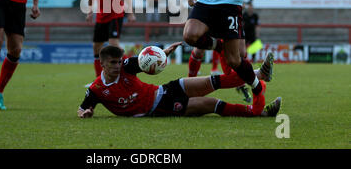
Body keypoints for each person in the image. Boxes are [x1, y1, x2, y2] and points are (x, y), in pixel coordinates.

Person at [78, 43, 281, 118]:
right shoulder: (96, 89)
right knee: (212, 104)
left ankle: (258, 74)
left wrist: (162, 54)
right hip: (160, 106)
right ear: (102, 65)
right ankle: (261, 113)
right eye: (113, 63)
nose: (118, 65)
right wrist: (86, 112)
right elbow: (84, 107)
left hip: (164, 89)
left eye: (119, 61)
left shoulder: (126, 66)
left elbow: (145, 61)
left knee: (213, 81)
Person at [187, 0, 276, 102]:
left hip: (230, 8)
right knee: (198, 48)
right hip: (209, 6)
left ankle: (254, 79)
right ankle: (190, 84)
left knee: (239, 55)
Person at [84, 0, 136, 78]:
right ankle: (98, 80)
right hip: (101, 16)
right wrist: (90, 11)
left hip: (115, 14)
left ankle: (128, 73)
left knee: (114, 45)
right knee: (96, 47)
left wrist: (130, 12)